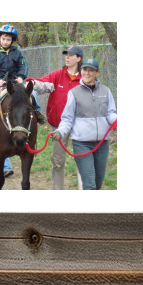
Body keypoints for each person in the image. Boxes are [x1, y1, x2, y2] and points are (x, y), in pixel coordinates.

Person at [0, 24, 45, 176]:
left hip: (15, 83)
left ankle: (38, 113)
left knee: (33, 95)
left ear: (12, 41)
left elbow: (23, 66)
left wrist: (21, 77)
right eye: (3, 38)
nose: (5, 41)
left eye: (8, 39)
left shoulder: (17, 53)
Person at [52, 57, 117, 190]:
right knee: (89, 184)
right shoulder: (74, 93)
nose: (87, 73)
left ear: (97, 73)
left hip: (102, 144)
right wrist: (60, 131)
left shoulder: (106, 91)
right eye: (84, 70)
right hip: (82, 143)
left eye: (91, 70)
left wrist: (116, 120)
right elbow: (67, 119)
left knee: (98, 184)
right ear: (81, 71)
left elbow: (110, 113)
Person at [26, 45, 83, 190]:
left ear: (79, 58)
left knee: (82, 161)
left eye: (71, 55)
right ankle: (58, 193)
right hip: (59, 126)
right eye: (66, 54)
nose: (67, 57)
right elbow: (43, 84)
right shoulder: (57, 75)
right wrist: (32, 83)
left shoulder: (85, 78)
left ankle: (86, 191)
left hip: (80, 127)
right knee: (57, 161)